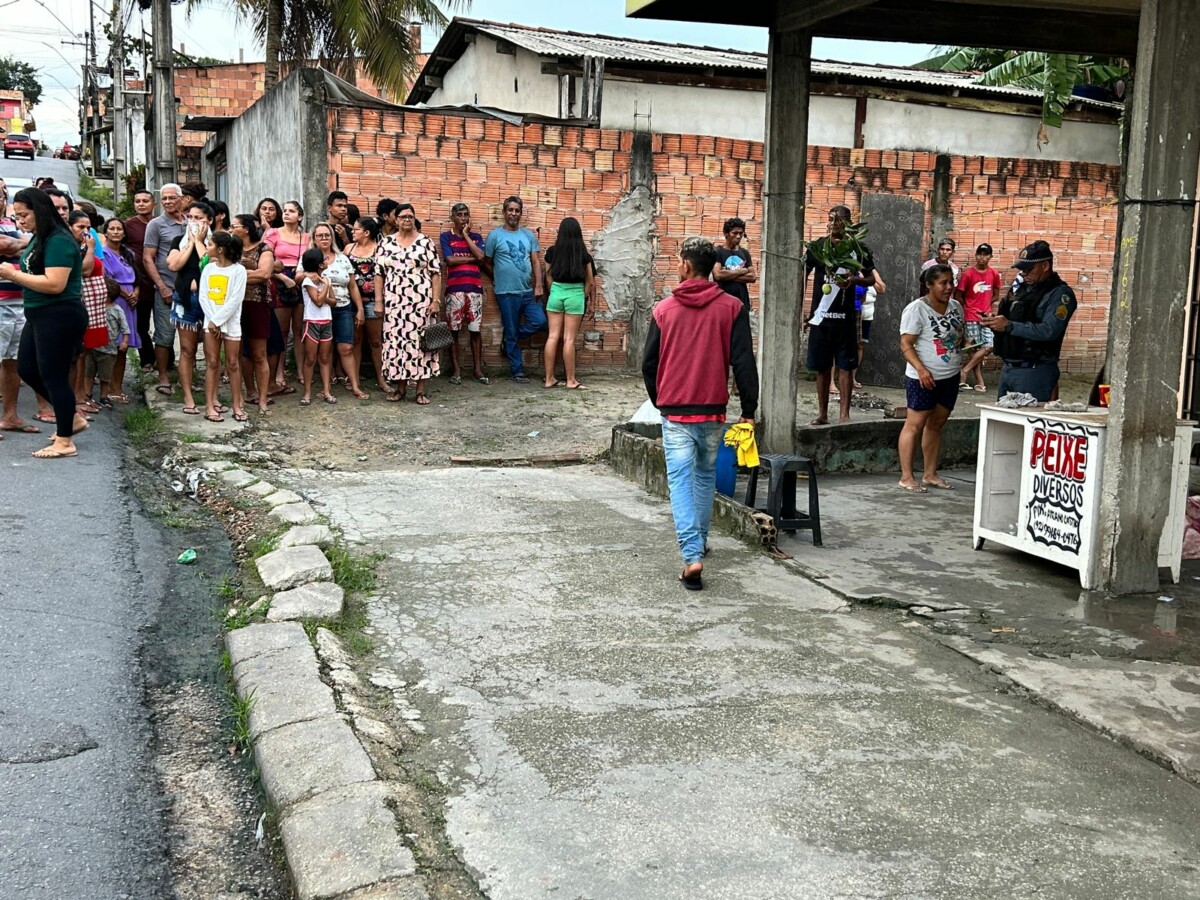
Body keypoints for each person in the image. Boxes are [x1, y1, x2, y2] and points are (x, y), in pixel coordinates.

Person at [642, 236, 758, 591]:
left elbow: (648, 363)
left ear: (687, 266)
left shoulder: (663, 310)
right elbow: (743, 361)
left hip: (675, 410)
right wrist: (749, 410)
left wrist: (660, 400)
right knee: (705, 476)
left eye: (679, 261)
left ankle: (692, 556)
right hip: (713, 410)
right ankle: (701, 541)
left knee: (679, 481)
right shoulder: (731, 308)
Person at [0, 188, 87, 458]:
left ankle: (65, 441)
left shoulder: (59, 240)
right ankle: (71, 418)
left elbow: (55, 283)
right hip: (38, 313)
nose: (20, 221)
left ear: (39, 211)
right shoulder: (40, 237)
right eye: (16, 216)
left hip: (59, 314)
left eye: (24, 215)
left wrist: (13, 275)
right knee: (27, 368)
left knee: (52, 375)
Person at [803, 205, 876, 425]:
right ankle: (822, 413)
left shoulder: (858, 249)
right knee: (822, 367)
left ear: (849, 223)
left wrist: (854, 281)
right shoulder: (817, 247)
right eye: (831, 219)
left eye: (840, 220)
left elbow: (872, 279)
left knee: (846, 366)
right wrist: (802, 312)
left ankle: (844, 414)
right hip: (821, 318)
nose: (835, 223)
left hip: (846, 318)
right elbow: (802, 275)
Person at [897, 264, 965, 493]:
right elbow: (906, 345)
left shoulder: (956, 307)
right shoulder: (917, 309)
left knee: (937, 424)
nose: (948, 288)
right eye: (942, 283)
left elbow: (957, 336)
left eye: (951, 282)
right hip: (922, 377)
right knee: (914, 424)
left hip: (950, 376)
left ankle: (930, 474)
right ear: (929, 285)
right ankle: (907, 476)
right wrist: (921, 369)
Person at [983, 240, 1078, 401]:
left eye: (1028, 269)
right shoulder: (1022, 290)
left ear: (1045, 266)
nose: (1024, 273)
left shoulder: (1059, 294)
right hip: (1009, 368)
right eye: (1022, 270)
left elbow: (1049, 330)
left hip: (1035, 371)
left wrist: (1009, 326)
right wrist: (995, 323)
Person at [375, 203, 441, 405]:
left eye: (410, 216)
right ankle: (400, 388)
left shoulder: (425, 242)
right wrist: (379, 302)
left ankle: (420, 390)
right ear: (395, 220)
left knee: (422, 344)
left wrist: (435, 300)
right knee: (397, 344)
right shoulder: (386, 243)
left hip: (421, 303)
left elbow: (436, 273)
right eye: (402, 217)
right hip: (395, 304)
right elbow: (378, 274)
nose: (406, 220)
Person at [301, 222, 366, 398]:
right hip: (319, 311)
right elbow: (299, 276)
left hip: (342, 306)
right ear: (314, 239)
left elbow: (352, 286)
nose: (324, 238)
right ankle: (326, 387)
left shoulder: (342, 258)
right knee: (324, 352)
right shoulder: (309, 257)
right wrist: (308, 273)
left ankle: (355, 386)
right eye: (320, 235)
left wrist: (359, 308)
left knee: (346, 347)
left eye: (327, 235)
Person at [484, 195, 545, 384]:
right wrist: (497, 278)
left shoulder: (527, 235)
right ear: (504, 212)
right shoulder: (495, 235)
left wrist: (538, 284)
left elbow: (535, 260)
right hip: (506, 293)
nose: (513, 213)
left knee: (540, 322)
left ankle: (510, 338)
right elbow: (486, 262)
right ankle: (517, 371)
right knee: (511, 331)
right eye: (510, 210)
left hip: (527, 291)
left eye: (517, 210)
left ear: (520, 213)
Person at [166, 200, 215, 415]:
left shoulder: (217, 242)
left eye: (199, 218)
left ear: (210, 221)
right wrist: (190, 242)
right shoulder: (179, 240)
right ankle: (187, 396)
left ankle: (211, 398)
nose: (194, 222)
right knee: (187, 350)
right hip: (186, 299)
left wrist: (200, 241)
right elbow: (174, 264)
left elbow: (207, 262)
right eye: (191, 218)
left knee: (212, 352)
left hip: (211, 303)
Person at [198, 230, 247, 423]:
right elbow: (204, 296)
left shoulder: (239, 271)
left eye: (210, 245)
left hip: (230, 323)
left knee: (233, 364)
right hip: (210, 323)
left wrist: (218, 321)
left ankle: (237, 405)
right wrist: (212, 321)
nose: (207, 248)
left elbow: (235, 299)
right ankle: (209, 405)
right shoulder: (209, 269)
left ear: (220, 249)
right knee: (212, 362)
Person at [231, 214, 276, 415]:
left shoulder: (263, 249)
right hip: (234, 305)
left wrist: (236, 275)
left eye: (235, 226)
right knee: (239, 353)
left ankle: (264, 398)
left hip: (258, 303)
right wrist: (248, 274)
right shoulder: (232, 249)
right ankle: (249, 392)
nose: (231, 229)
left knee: (259, 354)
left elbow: (265, 274)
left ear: (246, 229)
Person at [542, 216, 594, 390]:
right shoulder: (584, 255)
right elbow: (590, 282)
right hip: (575, 295)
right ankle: (571, 380)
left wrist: (554, 291)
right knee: (569, 339)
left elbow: (547, 275)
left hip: (555, 294)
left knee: (552, 336)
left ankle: (549, 378)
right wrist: (583, 296)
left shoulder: (551, 252)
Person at [143, 183, 186, 394]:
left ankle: (186, 379)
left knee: (189, 338)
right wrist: (161, 287)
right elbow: (148, 258)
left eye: (172, 198)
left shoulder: (190, 223)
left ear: (182, 199)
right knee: (164, 336)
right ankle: (163, 377)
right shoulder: (156, 224)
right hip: (166, 288)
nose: (168, 202)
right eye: (164, 199)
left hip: (189, 290)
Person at [439, 203, 488, 385]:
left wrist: (466, 235)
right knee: (454, 331)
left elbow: (482, 257)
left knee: (475, 331)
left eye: (466, 214)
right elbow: (450, 260)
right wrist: (472, 259)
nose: (463, 218)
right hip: (454, 291)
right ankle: (456, 370)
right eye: (459, 215)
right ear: (453, 217)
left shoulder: (475, 237)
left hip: (474, 291)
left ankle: (477, 369)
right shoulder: (446, 237)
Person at [0, 188, 36, 435]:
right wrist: (18, 245)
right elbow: (5, 245)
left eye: (1, 195)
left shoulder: (10, 223)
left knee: (13, 361)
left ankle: (10, 416)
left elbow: (32, 248)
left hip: (20, 299)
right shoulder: (16, 228)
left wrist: (18, 246)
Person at [264, 200, 310, 394]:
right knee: (282, 331)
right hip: (280, 279)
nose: (286, 214)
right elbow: (265, 260)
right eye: (284, 211)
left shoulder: (306, 237)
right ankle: (279, 372)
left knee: (299, 329)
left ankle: (300, 370)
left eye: (291, 211)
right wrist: (282, 277)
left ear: (300, 216)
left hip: (300, 279)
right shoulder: (272, 233)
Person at [100, 217, 141, 403]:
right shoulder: (104, 254)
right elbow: (108, 279)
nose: (116, 232)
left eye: (119, 229)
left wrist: (136, 293)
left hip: (131, 303)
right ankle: (107, 389)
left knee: (123, 348)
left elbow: (137, 277)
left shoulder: (128, 253)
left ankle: (118, 386)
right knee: (112, 346)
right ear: (106, 232)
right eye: (112, 229)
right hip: (115, 300)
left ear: (124, 233)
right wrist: (126, 294)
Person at [956, 243, 1002, 393]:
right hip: (970, 315)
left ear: (990, 257)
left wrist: (986, 305)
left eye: (985, 254)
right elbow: (959, 295)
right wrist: (970, 307)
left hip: (986, 316)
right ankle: (980, 381)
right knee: (973, 347)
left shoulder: (993, 274)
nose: (982, 257)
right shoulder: (968, 274)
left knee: (989, 345)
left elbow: (996, 294)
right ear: (975, 255)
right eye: (979, 254)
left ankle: (964, 371)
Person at [347, 216, 384, 392]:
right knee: (355, 340)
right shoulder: (349, 248)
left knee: (376, 342)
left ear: (367, 232)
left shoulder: (379, 249)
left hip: (372, 301)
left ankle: (382, 379)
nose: (352, 232)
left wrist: (380, 301)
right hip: (352, 301)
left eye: (356, 229)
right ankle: (355, 381)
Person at [123, 189, 158, 367]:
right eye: (138, 201)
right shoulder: (128, 226)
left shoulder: (160, 223)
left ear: (154, 204)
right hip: (140, 282)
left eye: (145, 201)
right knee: (141, 325)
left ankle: (167, 362)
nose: (141, 204)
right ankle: (148, 360)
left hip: (161, 280)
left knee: (164, 326)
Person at [84, 282, 130, 410]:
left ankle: (104, 396)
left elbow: (125, 327)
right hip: (92, 346)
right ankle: (87, 393)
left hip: (108, 349)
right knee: (88, 372)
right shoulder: (94, 307)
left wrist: (125, 341)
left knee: (105, 375)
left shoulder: (117, 310)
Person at [298, 246, 335, 406]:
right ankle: (307, 393)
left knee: (325, 358)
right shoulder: (308, 281)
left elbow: (333, 302)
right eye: (324, 259)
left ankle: (326, 390)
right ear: (319, 264)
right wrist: (325, 286)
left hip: (327, 320)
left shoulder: (326, 279)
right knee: (310, 359)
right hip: (312, 321)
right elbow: (318, 302)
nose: (327, 261)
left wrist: (324, 289)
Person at [711, 216, 756, 311]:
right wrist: (742, 271)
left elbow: (752, 277)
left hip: (742, 303)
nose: (739, 236)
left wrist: (727, 274)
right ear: (726, 234)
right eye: (735, 233)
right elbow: (718, 275)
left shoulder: (744, 253)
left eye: (741, 233)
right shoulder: (718, 251)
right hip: (722, 303)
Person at [855, 268, 887, 387]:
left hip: (867, 313)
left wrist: (870, 279)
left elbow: (882, 289)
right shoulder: (852, 269)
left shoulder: (872, 272)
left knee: (860, 344)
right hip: (855, 309)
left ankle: (853, 377)